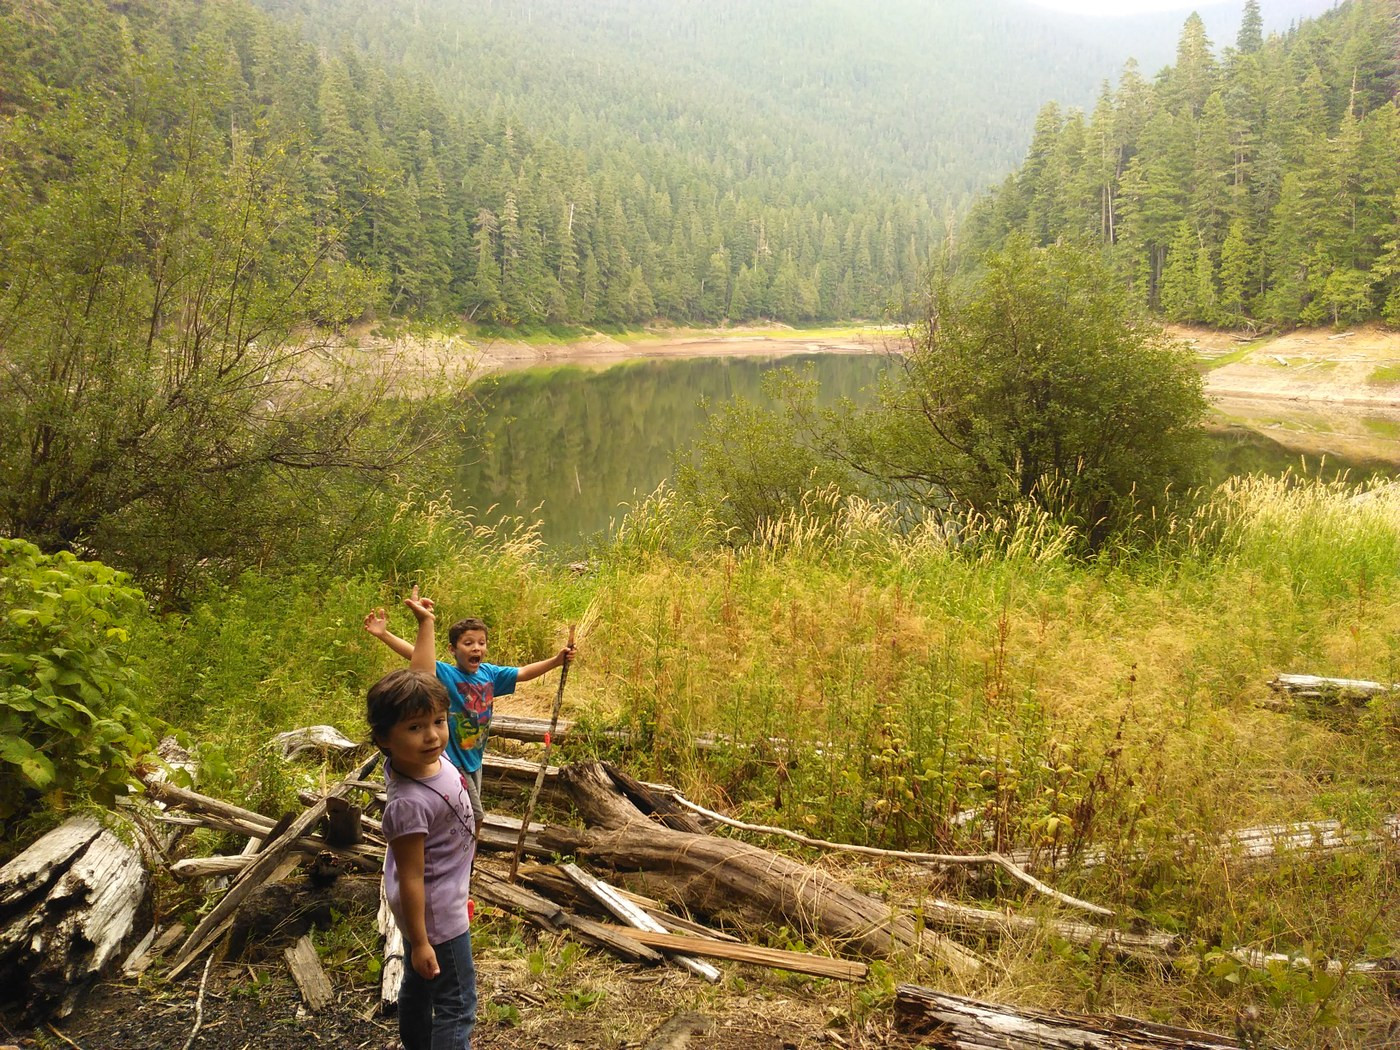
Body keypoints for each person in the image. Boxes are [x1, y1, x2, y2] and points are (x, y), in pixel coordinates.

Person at [364, 586, 574, 826]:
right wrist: (384, 634)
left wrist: (557, 661)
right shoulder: (445, 673)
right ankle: (466, 857)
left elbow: (524, 673)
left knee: (461, 812)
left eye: (481, 643)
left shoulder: (490, 674)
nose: (476, 648)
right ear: (453, 650)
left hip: (475, 756)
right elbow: (416, 656)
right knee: (475, 816)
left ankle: (458, 850)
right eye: (468, 643)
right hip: (452, 757)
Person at [367, 668, 477, 1050]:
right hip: (435, 913)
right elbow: (412, 877)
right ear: (383, 738)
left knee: (422, 979)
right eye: (415, 728)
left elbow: (423, 668)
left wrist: (425, 624)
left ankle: (416, 1042)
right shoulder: (409, 804)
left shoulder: (423, 761)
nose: (432, 735)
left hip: (439, 901)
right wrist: (422, 938)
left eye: (437, 721)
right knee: (457, 1003)